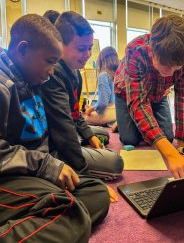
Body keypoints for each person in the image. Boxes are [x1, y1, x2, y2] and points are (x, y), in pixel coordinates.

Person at [0, 14, 110, 242]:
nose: (52, 71)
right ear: (22, 50)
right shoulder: (3, 87)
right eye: (49, 61)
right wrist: (47, 165)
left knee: (96, 192)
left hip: (33, 172)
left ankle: (46, 209)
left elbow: (68, 119)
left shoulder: (34, 77)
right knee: (73, 214)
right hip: (11, 177)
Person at [114, 15, 184, 179]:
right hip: (127, 93)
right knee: (129, 139)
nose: (170, 73)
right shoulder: (136, 50)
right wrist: (171, 155)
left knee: (168, 138)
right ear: (152, 51)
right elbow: (139, 103)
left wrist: (183, 137)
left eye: (175, 68)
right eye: (166, 66)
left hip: (158, 94)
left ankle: (137, 120)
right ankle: (122, 119)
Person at [41, 11, 124, 184]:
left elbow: (75, 114)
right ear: (60, 45)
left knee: (101, 134)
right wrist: (83, 175)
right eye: (81, 48)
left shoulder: (75, 74)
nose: (87, 54)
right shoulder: (53, 73)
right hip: (57, 141)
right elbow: (63, 129)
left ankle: (83, 143)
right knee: (115, 163)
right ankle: (74, 156)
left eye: (89, 48)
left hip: (68, 132)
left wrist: (89, 136)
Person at [84, 46, 119, 126]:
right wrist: (93, 107)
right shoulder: (120, 74)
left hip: (110, 115)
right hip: (120, 113)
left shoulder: (103, 75)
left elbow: (103, 103)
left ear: (101, 60)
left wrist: (90, 110)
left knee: (84, 119)